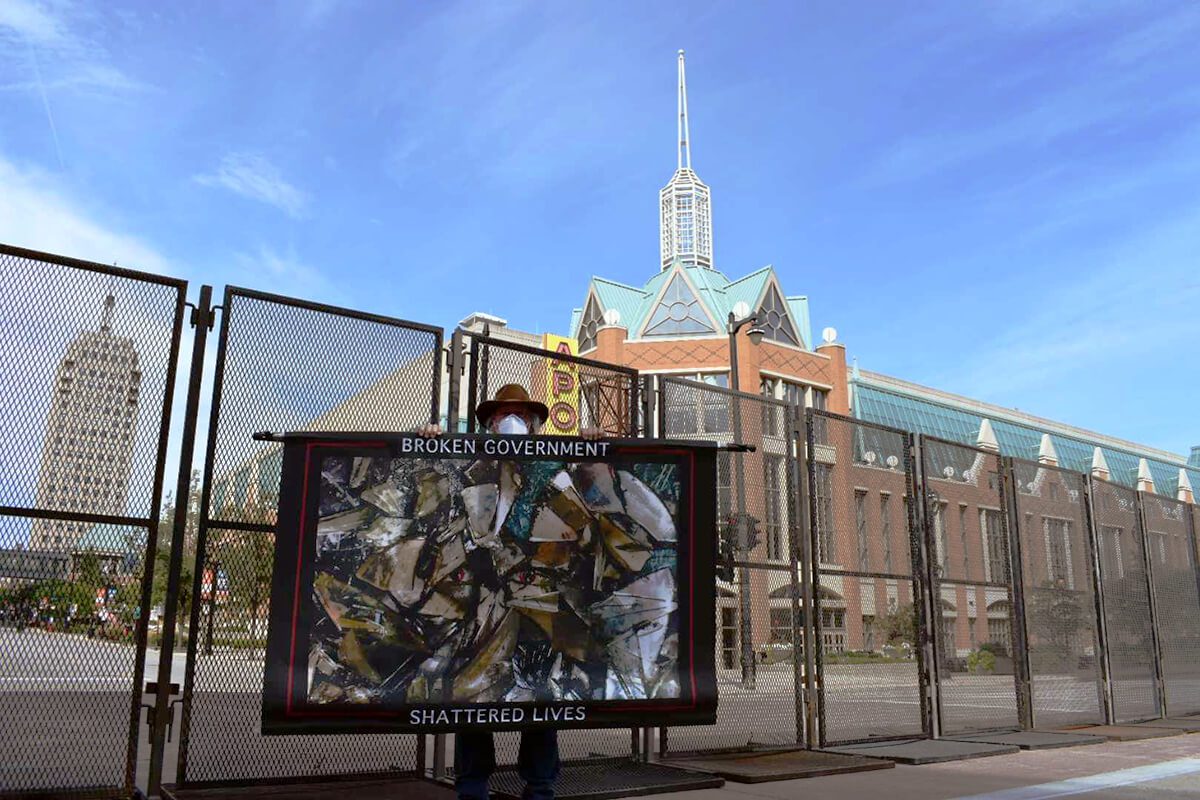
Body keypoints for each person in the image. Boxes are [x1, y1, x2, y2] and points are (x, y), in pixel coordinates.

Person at [418, 383, 605, 800]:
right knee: (474, 693)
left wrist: (591, 444)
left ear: (537, 424)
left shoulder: (552, 463)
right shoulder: (469, 462)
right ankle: (473, 787)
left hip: (538, 597)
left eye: (521, 414)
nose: (513, 422)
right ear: (488, 423)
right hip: (481, 599)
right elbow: (433, 478)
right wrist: (425, 439)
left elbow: (585, 507)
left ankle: (539, 788)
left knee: (540, 697)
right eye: (504, 415)